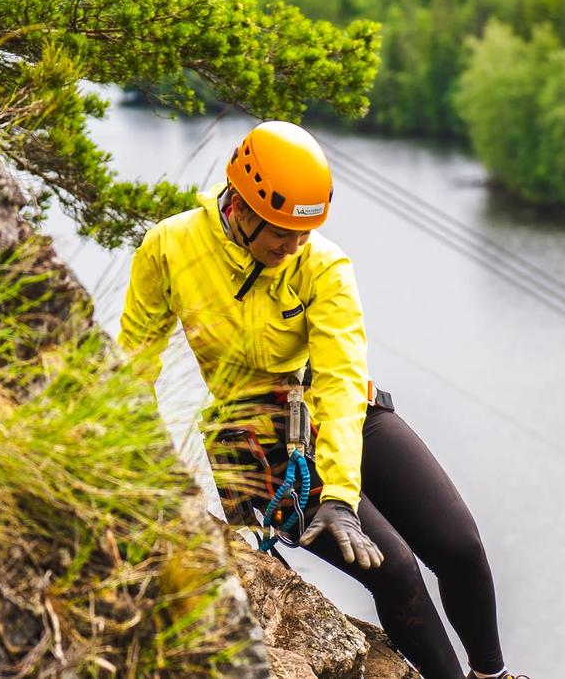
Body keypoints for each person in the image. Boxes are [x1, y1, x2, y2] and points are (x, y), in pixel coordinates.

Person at [118, 120, 527, 679]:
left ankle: (492, 675)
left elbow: (337, 381)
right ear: (240, 206)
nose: (293, 246)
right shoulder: (171, 248)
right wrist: (128, 462)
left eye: (303, 233)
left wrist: (338, 494)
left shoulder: (323, 266)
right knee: (396, 569)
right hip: (257, 446)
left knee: (459, 544)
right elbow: (134, 361)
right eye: (281, 233)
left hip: (345, 416)